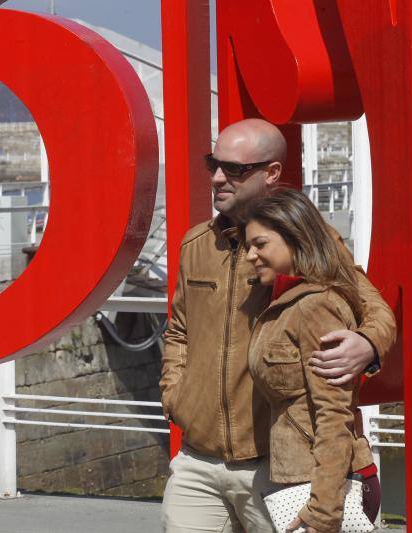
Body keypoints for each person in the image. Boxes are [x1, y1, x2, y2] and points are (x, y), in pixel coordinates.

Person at [160, 118, 395, 532]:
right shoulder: (195, 244)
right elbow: (179, 330)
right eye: (213, 163)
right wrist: (174, 396)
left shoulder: (307, 242)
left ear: (271, 173)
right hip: (197, 460)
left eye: (234, 169)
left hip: (276, 467)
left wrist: (367, 343)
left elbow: (373, 308)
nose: (217, 177)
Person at [241, 188, 381, 532]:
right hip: (305, 481)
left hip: (323, 487)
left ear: (295, 239)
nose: (249, 256)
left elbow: (334, 416)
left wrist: (323, 511)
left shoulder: (315, 306)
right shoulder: (287, 302)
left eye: (260, 244)